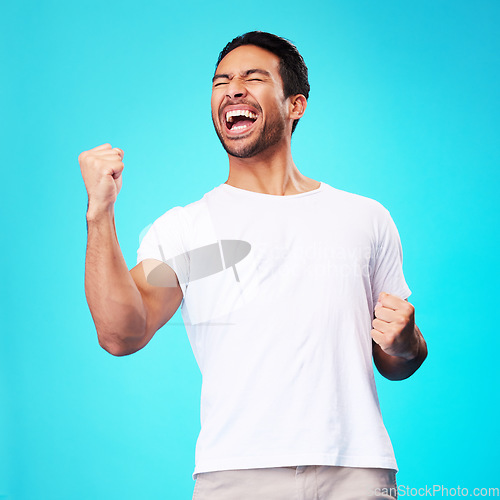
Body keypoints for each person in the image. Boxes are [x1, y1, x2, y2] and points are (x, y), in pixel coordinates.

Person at [79, 31, 427, 500]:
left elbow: (397, 361)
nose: (232, 89)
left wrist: (406, 343)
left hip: (358, 471)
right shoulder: (191, 230)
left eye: (252, 77)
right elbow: (121, 334)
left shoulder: (364, 218)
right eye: (222, 80)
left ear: (295, 105)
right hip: (237, 474)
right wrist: (100, 214)